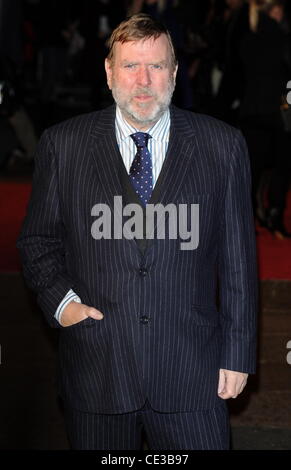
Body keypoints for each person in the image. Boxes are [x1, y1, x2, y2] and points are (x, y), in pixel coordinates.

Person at [17, 13, 257, 451]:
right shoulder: (63, 145)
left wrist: (239, 352)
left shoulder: (222, 146)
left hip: (193, 372)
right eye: (130, 66)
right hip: (98, 368)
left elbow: (239, 259)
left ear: (175, 72)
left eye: (157, 66)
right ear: (109, 72)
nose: (143, 80)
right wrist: (63, 304)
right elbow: (38, 241)